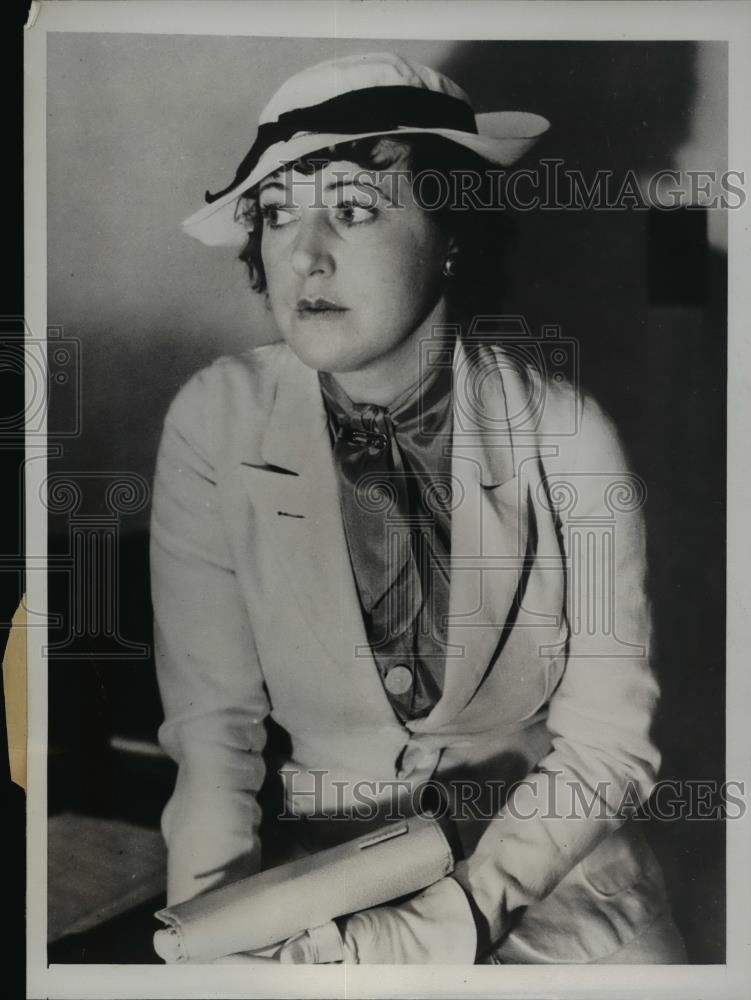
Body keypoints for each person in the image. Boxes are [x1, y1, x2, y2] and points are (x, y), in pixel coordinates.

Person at [150, 51, 688, 964]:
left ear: (452, 235)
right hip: (314, 887)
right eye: (277, 214)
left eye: (353, 209)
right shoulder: (215, 418)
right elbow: (214, 735)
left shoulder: (565, 431)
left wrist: (452, 923)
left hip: (551, 884)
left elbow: (607, 746)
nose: (304, 253)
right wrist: (207, 935)